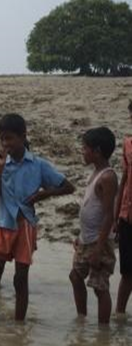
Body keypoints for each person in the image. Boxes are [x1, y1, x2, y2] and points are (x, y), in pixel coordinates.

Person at [0, 114, 75, 321]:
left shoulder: (38, 165)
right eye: (2, 139)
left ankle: (19, 326)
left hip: (26, 227)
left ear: (23, 137)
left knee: (20, 280)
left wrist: (44, 194)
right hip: (3, 225)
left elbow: (68, 187)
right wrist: (0, 170)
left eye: (9, 138)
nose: (5, 144)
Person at [69, 128, 118, 324]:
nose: (82, 151)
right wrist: (81, 237)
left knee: (100, 287)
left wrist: (99, 248)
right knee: (75, 276)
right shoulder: (96, 172)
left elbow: (108, 216)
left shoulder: (107, 177)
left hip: (100, 241)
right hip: (86, 239)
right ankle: (82, 318)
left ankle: (103, 330)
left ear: (97, 151)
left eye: (85, 148)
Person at [115, 100, 132, 314]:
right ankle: (119, 313)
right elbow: (124, 180)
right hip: (127, 216)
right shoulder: (128, 144)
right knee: (127, 271)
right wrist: (116, 216)